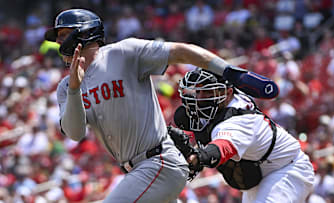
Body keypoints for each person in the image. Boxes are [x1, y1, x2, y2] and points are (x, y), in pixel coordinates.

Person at [44, 8, 278, 202]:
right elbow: (75, 133)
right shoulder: (66, 87)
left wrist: (228, 71)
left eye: (63, 34)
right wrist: (75, 88)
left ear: (83, 32)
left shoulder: (123, 53)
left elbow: (180, 52)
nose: (58, 41)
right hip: (138, 172)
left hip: (158, 162)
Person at [175, 68, 315, 203]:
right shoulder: (222, 104)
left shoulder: (237, 120)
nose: (200, 98)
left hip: (286, 169)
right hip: (261, 173)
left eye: (208, 92)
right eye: (199, 91)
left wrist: (198, 157)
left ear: (228, 93)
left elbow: (223, 147)